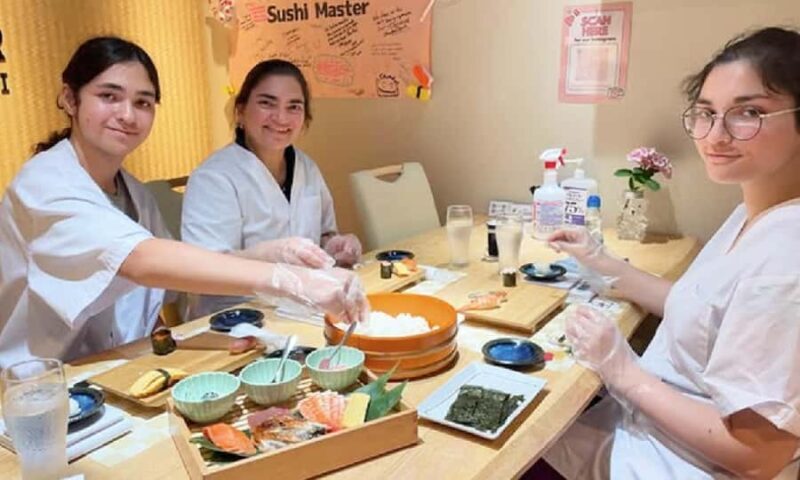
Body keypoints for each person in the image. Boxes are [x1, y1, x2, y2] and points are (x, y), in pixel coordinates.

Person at [0, 37, 368, 369]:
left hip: (115, 370)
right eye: (109, 96)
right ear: (70, 98)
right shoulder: (44, 183)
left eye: (142, 102)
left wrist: (179, 352)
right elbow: (142, 261)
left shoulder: (135, 194)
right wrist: (290, 278)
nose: (127, 115)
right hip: (37, 385)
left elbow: (161, 293)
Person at [543, 27, 800, 479]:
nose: (716, 135)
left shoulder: (785, 258)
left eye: (749, 113)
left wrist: (622, 369)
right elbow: (701, 309)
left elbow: (758, 455)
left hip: (673, 464)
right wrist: (599, 261)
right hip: (647, 428)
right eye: (706, 113)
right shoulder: (755, 211)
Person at [181, 59, 362, 318]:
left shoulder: (306, 167)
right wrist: (269, 254)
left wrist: (335, 246)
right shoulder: (214, 177)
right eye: (267, 103)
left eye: (294, 107)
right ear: (240, 111)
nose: (281, 117)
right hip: (236, 319)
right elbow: (203, 271)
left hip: (303, 307)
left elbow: (323, 233)